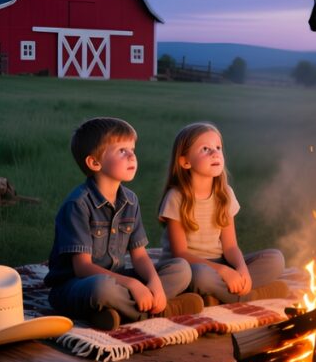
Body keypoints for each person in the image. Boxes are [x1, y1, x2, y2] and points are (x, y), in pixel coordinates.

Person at [45, 117, 203, 331]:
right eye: (122, 151)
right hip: (76, 286)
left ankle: (114, 313)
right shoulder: (78, 204)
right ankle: (163, 309)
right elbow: (82, 268)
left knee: (181, 269)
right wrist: (133, 284)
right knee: (102, 288)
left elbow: (139, 256)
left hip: (117, 279)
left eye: (132, 149)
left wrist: (154, 283)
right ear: (94, 163)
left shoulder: (130, 200)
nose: (132, 156)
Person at [159, 122, 288, 305]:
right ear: (185, 162)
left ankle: (217, 294)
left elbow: (230, 247)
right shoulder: (176, 197)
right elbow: (180, 253)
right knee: (200, 277)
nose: (215, 153)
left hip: (220, 261)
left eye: (218, 147)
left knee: (275, 260)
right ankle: (247, 296)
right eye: (205, 149)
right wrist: (224, 272)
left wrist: (241, 269)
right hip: (190, 266)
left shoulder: (225, 194)